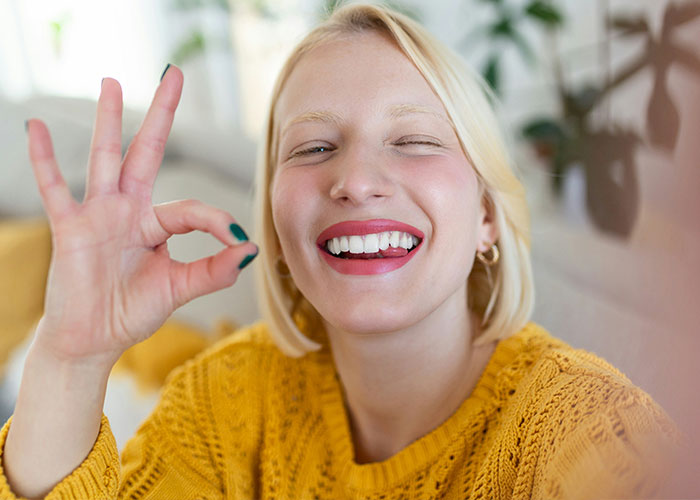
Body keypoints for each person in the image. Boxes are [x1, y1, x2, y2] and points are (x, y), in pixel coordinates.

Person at [0, 3, 681, 499]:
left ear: (486, 217)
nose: (354, 181)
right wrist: (71, 355)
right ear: (274, 218)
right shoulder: (224, 403)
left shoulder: (589, 436)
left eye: (414, 141)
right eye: (314, 147)